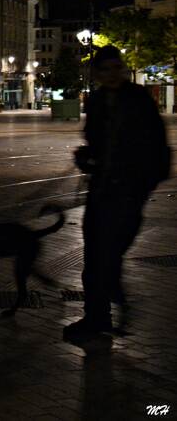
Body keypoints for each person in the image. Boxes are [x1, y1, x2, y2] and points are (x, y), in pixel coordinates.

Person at [66, 45, 170, 341]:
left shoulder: (138, 99)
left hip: (128, 189)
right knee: (93, 255)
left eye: (116, 68)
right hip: (101, 187)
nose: (112, 74)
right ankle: (96, 317)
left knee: (109, 255)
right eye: (105, 69)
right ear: (97, 73)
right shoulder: (96, 100)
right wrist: (86, 158)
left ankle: (115, 303)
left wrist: (144, 183)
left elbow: (157, 144)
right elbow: (94, 140)